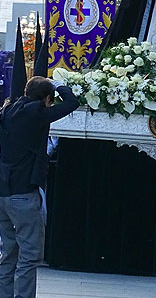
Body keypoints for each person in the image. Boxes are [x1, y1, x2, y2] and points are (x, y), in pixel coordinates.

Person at [0, 29, 79, 298]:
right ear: (46, 99)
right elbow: (72, 102)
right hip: (23, 193)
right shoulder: (38, 114)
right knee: (29, 255)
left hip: (3, 190)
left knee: (8, 253)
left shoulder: (8, 109)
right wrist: (56, 83)